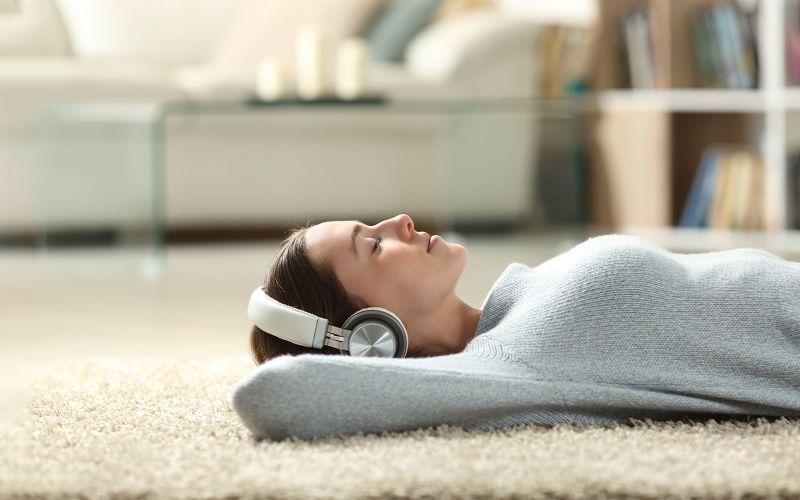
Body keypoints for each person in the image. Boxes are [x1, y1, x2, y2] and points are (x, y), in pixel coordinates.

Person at [234, 213, 800, 441]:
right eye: (374, 245)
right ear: (368, 335)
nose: (401, 221)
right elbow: (275, 396)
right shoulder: (504, 369)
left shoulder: (517, 307)